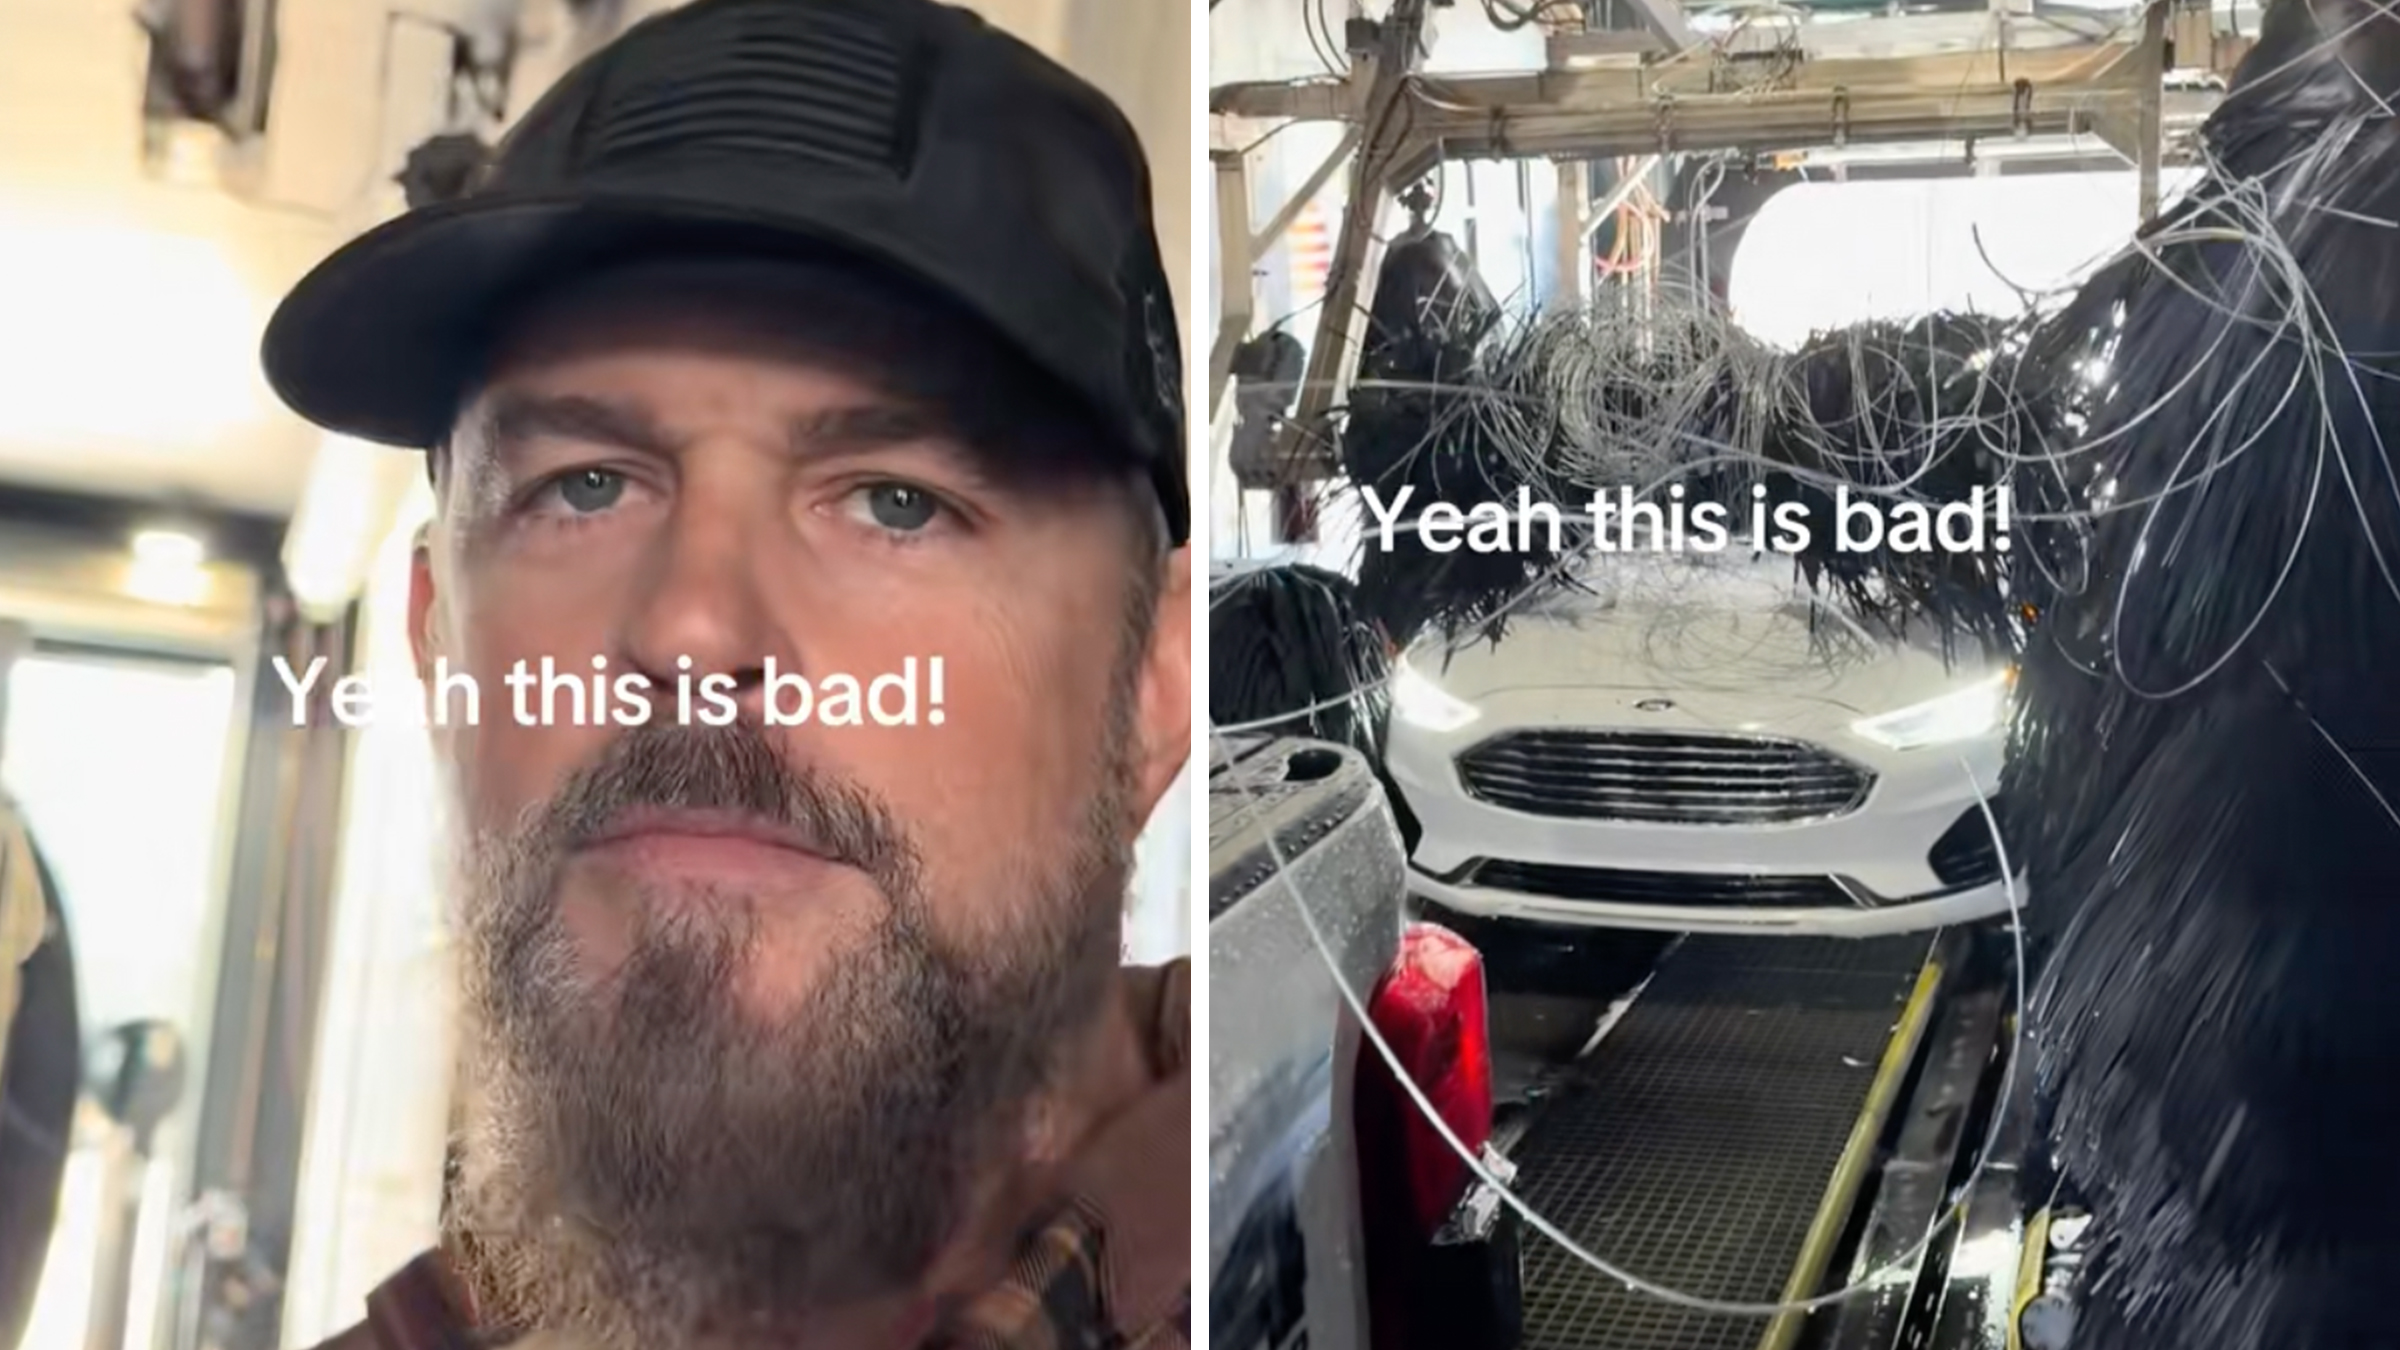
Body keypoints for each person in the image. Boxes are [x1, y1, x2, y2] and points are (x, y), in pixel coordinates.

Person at [260, 1, 1192, 1347]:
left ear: (1152, 687)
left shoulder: (1322, 1215)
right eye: (584, 488)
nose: (692, 629)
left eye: (894, 502)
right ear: (435, 646)